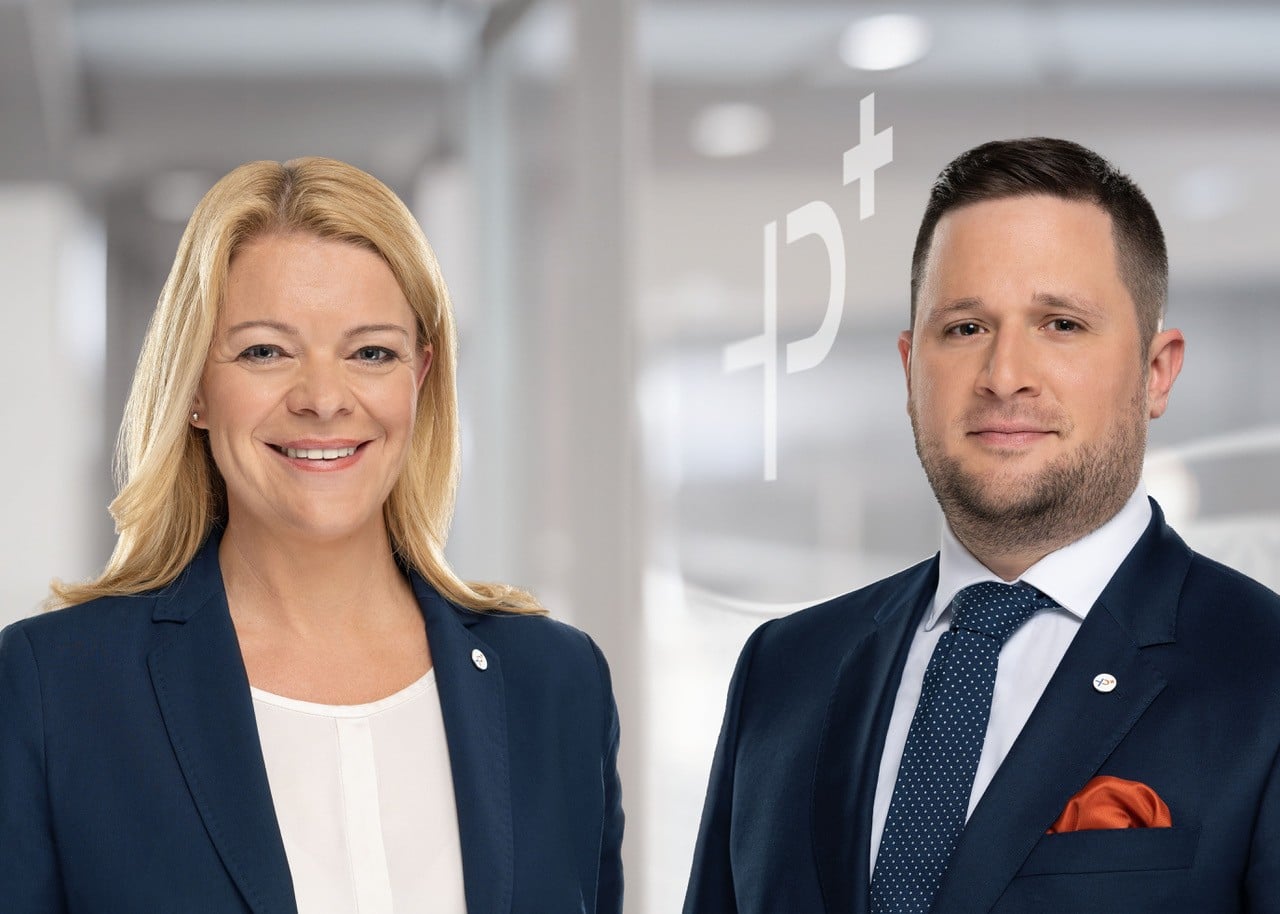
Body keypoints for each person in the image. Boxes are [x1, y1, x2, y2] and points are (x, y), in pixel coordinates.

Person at [0, 157, 623, 914]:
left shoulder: (556, 682)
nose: (324, 399)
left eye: (371, 353)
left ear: (420, 378)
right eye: (265, 351)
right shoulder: (56, 689)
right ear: (195, 388)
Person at [683, 138, 1280, 913]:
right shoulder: (786, 672)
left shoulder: (1262, 674)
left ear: (1156, 371)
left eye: (1060, 324)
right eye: (965, 328)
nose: (1004, 376)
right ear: (910, 370)